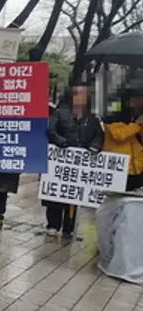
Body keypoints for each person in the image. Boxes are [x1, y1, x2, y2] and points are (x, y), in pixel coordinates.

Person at [46, 84, 103, 239]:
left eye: (84, 95)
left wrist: (95, 146)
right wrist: (62, 142)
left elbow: (98, 135)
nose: (80, 98)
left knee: (74, 196)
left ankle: (69, 227)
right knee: (55, 195)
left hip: (79, 163)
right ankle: (53, 225)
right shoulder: (60, 113)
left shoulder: (91, 118)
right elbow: (51, 130)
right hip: (61, 160)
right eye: (77, 94)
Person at [103, 83, 143, 192]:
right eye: (136, 100)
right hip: (119, 169)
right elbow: (119, 135)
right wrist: (137, 124)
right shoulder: (112, 119)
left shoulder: (137, 117)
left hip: (137, 169)